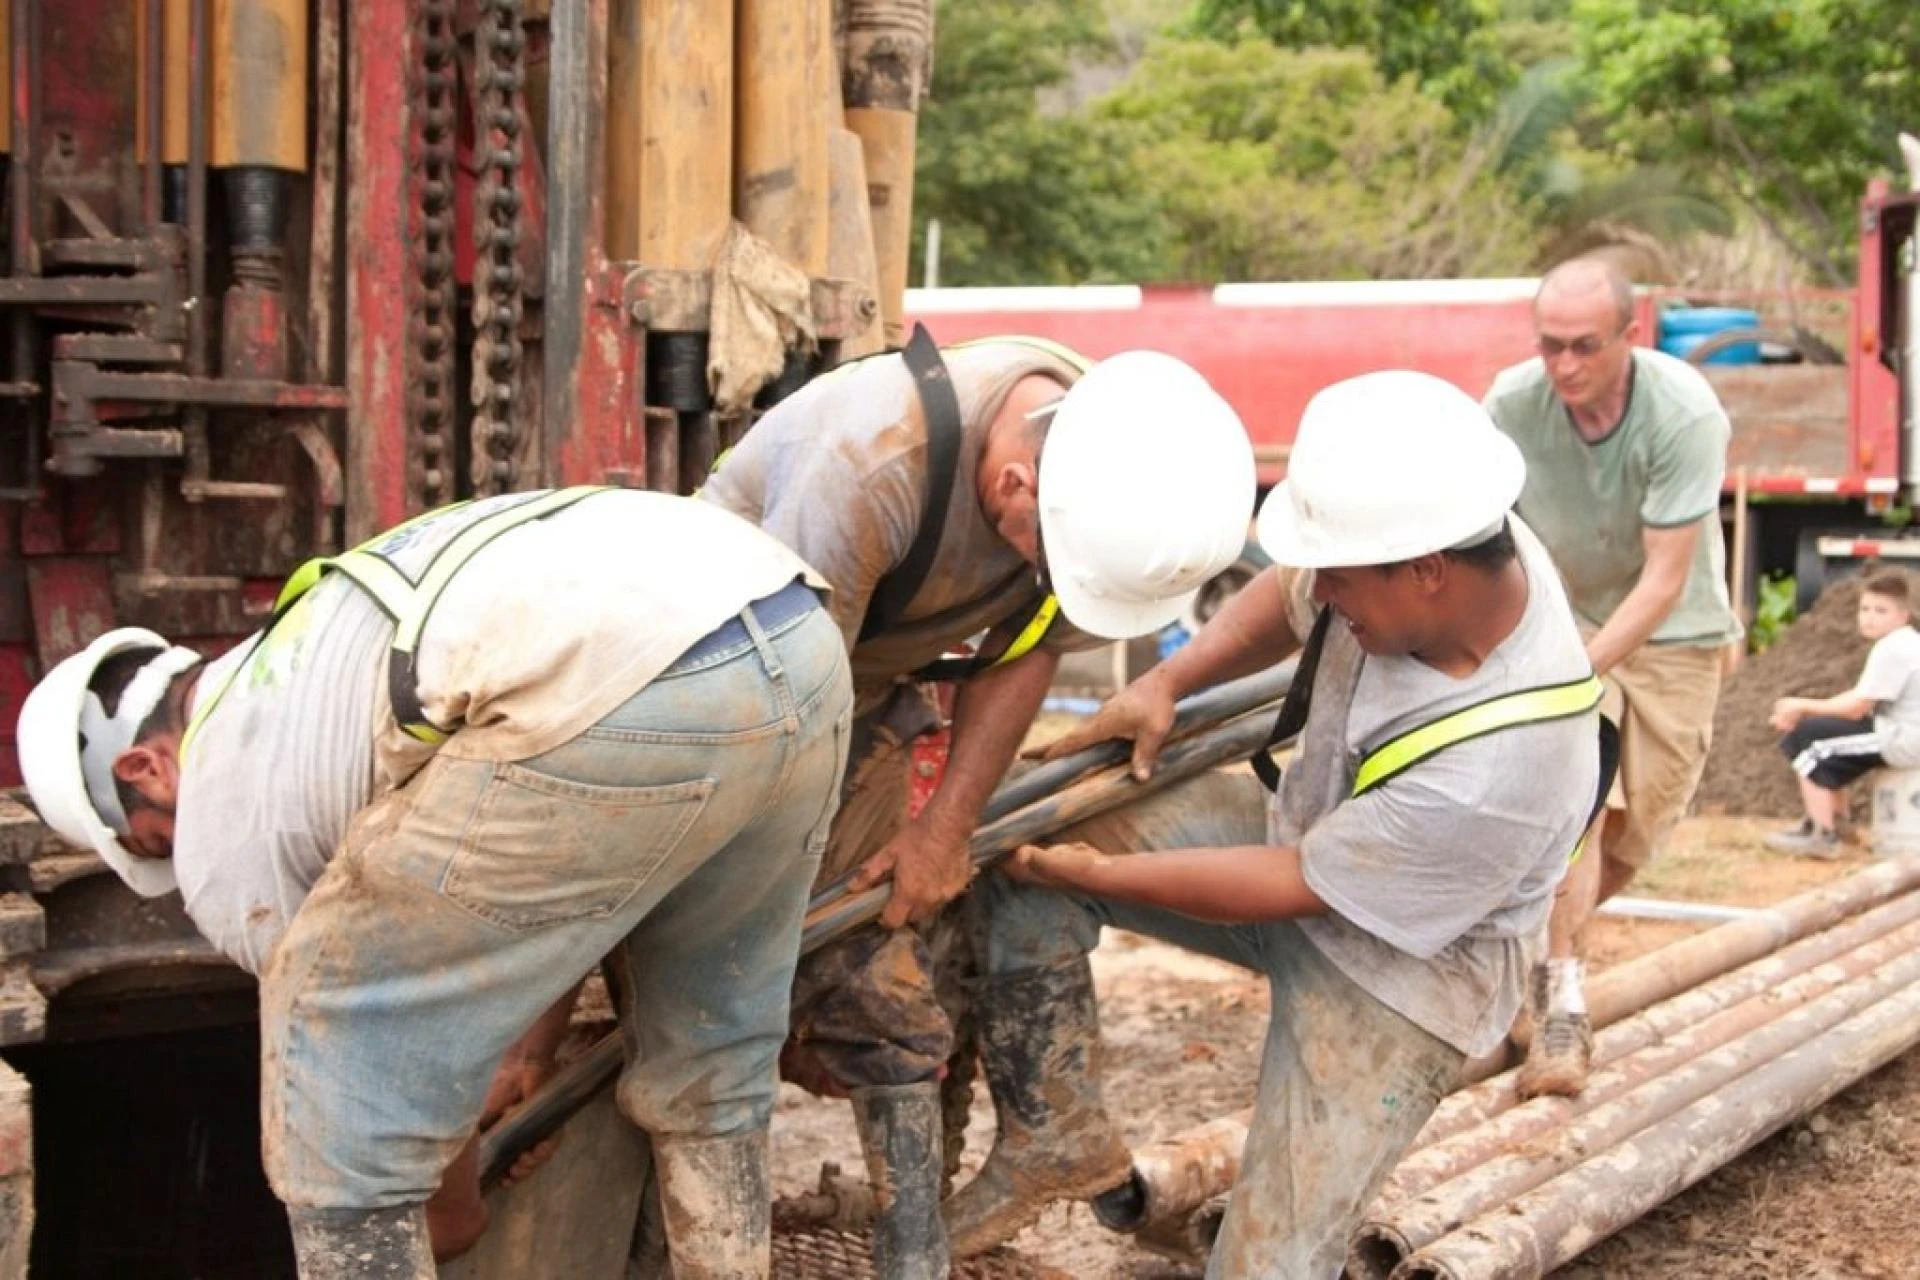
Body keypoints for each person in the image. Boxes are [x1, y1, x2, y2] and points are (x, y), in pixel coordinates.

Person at [15, 487, 852, 1280]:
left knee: (322, 1031)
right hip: (792, 629)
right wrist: (527, 1055)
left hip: (634, 686)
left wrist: (451, 1207)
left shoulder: (224, 809)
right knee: (713, 1066)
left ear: (145, 766)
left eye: (149, 837)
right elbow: (549, 884)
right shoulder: (305, 657)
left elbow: (371, 1033)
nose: (172, 854)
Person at [946, 371, 1604, 1274]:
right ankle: (1052, 1135)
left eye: (1340, 576)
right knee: (1017, 869)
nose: (1321, 590)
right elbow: (1292, 598)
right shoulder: (1448, 534)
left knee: (1267, 1264)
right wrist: (1163, 686)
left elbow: (1286, 889)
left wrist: (1090, 877)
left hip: (1400, 979)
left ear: (1426, 573)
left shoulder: (1503, 771)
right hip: (1306, 834)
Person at [700, 331, 1256, 1275]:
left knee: (892, 962)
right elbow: (783, 716)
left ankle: (911, 1245)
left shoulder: (1106, 469)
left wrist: (943, 829)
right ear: (1009, 487)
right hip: (727, 691)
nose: (1043, 573)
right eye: (1039, 551)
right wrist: (781, 935)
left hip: (861, 688)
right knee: (719, 986)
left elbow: (1030, 642)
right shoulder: (870, 469)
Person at [1483, 257, 1742, 1097]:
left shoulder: (1683, 415)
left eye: (1584, 347)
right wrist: (1543, 667)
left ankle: (1536, 960)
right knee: (1578, 812)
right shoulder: (1512, 406)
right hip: (1567, 619)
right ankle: (1560, 1002)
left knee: (1638, 835)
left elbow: (1664, 581)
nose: (1564, 366)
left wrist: (1576, 669)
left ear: (1631, 336)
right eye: (1550, 346)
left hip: (1673, 628)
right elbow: (1485, 534)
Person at [1767, 570, 1920, 857]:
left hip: (1906, 738)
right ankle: (1838, 825)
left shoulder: (1895, 648)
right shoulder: (1901, 643)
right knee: (1818, 732)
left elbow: (1856, 708)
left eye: (1880, 610)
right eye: (1864, 609)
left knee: (1810, 743)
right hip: (1899, 731)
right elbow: (1858, 700)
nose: (1869, 617)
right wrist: (1807, 710)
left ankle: (1823, 834)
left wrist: (1801, 707)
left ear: (1902, 616)